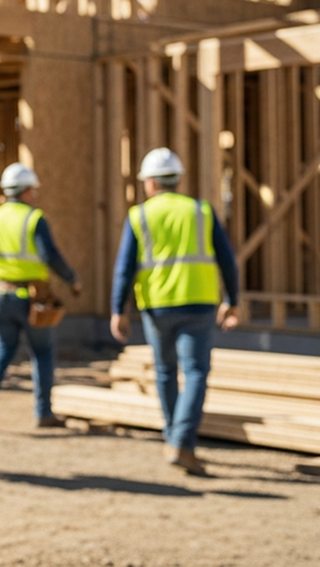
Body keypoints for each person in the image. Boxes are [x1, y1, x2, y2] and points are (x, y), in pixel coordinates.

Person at [110, 147, 239, 476]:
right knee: (195, 372)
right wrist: (233, 300)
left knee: (166, 372)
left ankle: (174, 438)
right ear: (177, 180)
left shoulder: (139, 215)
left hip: (157, 305)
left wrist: (117, 309)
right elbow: (227, 260)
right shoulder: (201, 211)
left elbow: (124, 268)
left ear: (150, 182)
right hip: (199, 302)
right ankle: (181, 442)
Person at [0, 163, 81, 428]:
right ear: (28, 192)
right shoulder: (33, 219)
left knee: (3, 347)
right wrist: (72, 280)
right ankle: (43, 412)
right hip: (31, 298)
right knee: (42, 351)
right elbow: (49, 255)